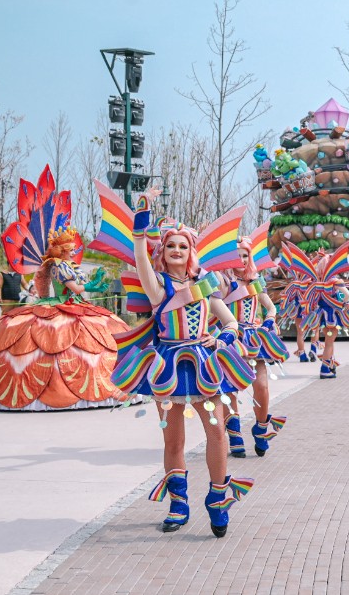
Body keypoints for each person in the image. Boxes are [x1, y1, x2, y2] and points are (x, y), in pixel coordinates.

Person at [113, 192, 258, 537]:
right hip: (167, 369)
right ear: (162, 252)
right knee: (172, 440)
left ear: (191, 251)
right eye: (170, 246)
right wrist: (141, 219)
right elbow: (139, 255)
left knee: (217, 433)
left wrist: (220, 339)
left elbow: (231, 322)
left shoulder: (205, 285)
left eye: (182, 246)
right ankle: (178, 503)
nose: (176, 251)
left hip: (205, 367)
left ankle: (217, 498)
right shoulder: (156, 285)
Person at [0, 166, 127, 412]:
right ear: (60, 250)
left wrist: (91, 284)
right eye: (68, 249)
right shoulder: (57, 266)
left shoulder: (67, 264)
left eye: (72, 248)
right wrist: (91, 285)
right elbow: (75, 288)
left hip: (74, 307)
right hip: (61, 304)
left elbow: (79, 288)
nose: (72, 251)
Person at [221, 231, 290, 459]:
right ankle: (234, 433)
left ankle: (261, 427)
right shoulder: (223, 281)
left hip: (253, 338)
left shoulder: (256, 280)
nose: (241, 260)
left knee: (261, 385)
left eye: (244, 256)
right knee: (230, 388)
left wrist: (270, 319)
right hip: (230, 338)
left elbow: (270, 307)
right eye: (237, 255)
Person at [285, 241, 349, 379]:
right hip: (332, 316)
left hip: (320, 316)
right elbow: (347, 294)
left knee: (327, 340)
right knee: (330, 342)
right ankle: (325, 368)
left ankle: (330, 365)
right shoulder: (334, 281)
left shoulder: (316, 282)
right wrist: (344, 303)